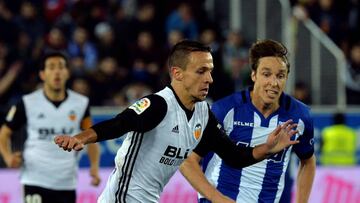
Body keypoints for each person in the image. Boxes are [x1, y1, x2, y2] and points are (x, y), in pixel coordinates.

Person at [54, 40, 299, 203]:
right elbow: (119, 123)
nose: (210, 79)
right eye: (201, 71)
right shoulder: (160, 105)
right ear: (177, 74)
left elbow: (233, 155)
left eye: (211, 70)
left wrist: (268, 148)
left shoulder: (202, 112)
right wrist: (79, 139)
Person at [181, 39, 316, 203]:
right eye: (266, 74)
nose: (274, 83)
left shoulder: (300, 116)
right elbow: (188, 161)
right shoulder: (225, 110)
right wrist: (218, 198)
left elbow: (307, 160)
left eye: (280, 76)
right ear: (253, 75)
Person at [0, 51, 101, 203]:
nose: (57, 72)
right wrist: (8, 156)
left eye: (61, 67)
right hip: (34, 179)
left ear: (67, 73)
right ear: (42, 74)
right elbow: (4, 132)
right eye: (51, 67)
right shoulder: (28, 102)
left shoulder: (80, 103)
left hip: (66, 181)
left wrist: (94, 167)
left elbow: (91, 136)